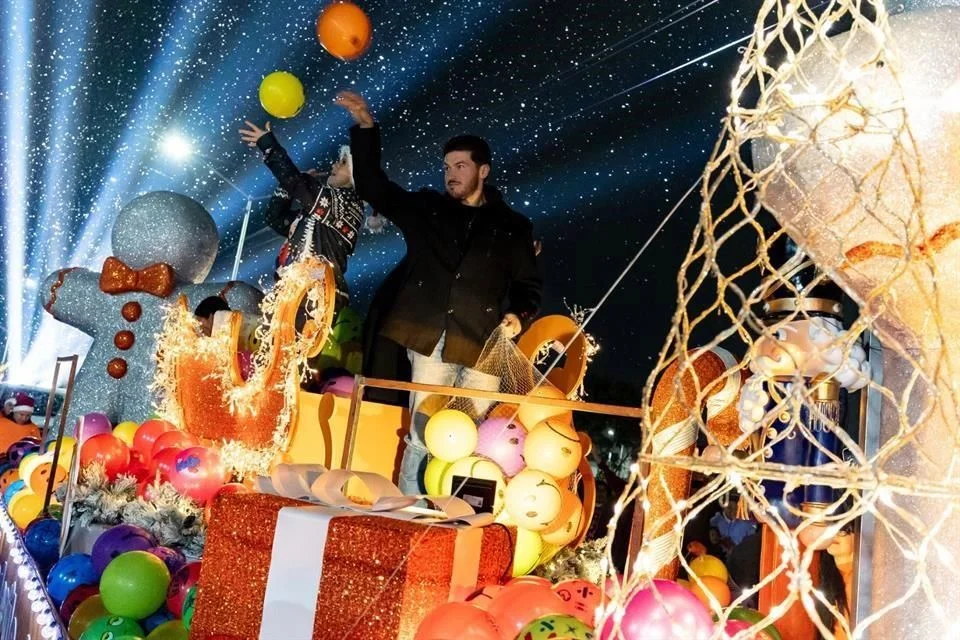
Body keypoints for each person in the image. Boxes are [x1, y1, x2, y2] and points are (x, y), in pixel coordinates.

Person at [336, 90, 543, 495]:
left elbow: (528, 285)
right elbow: (375, 187)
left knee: (471, 439)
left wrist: (519, 316)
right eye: (447, 166)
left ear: (483, 171)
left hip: (482, 346)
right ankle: (409, 511)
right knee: (423, 434)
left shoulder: (513, 226)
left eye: (461, 166)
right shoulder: (427, 209)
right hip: (429, 340)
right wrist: (365, 127)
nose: (451, 174)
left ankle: (452, 513)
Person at [238, 120, 364, 309]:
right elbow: (276, 218)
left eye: (344, 162)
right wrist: (288, 186)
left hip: (319, 299)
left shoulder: (348, 203)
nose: (335, 165)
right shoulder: (319, 213)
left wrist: (269, 145)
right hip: (293, 294)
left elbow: (301, 187)